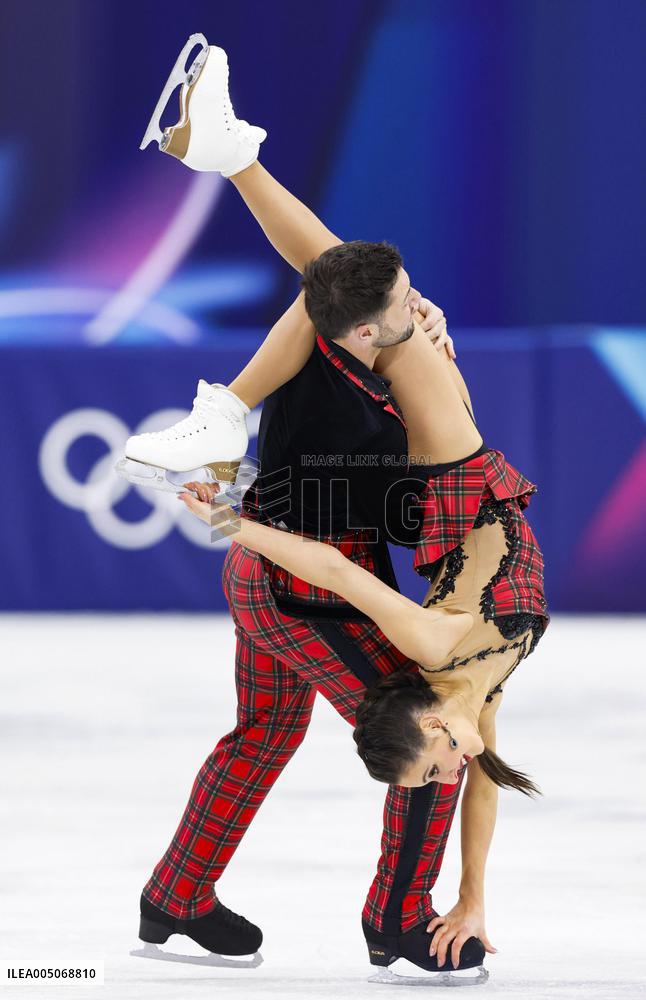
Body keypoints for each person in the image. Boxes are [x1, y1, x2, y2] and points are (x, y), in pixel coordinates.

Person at [129, 38, 548, 984]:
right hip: (294, 574)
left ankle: (176, 894)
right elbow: (337, 280)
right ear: (361, 335)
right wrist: (236, 513)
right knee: (417, 725)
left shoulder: (371, 340)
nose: (414, 311)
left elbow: (344, 278)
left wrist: (236, 515)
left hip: (282, 571)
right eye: (400, 312)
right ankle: (401, 918)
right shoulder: (342, 345)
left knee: (271, 732)